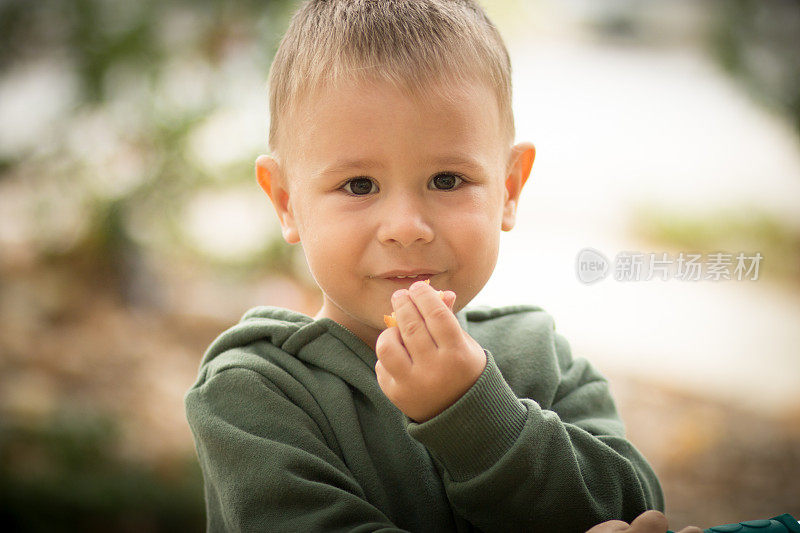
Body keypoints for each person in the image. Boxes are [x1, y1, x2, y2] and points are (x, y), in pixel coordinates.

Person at [184, 0, 684, 531]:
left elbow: (633, 507)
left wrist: (482, 414)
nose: (407, 226)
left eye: (447, 180)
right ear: (286, 202)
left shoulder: (541, 358)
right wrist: (466, 416)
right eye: (359, 185)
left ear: (509, 188)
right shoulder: (253, 395)